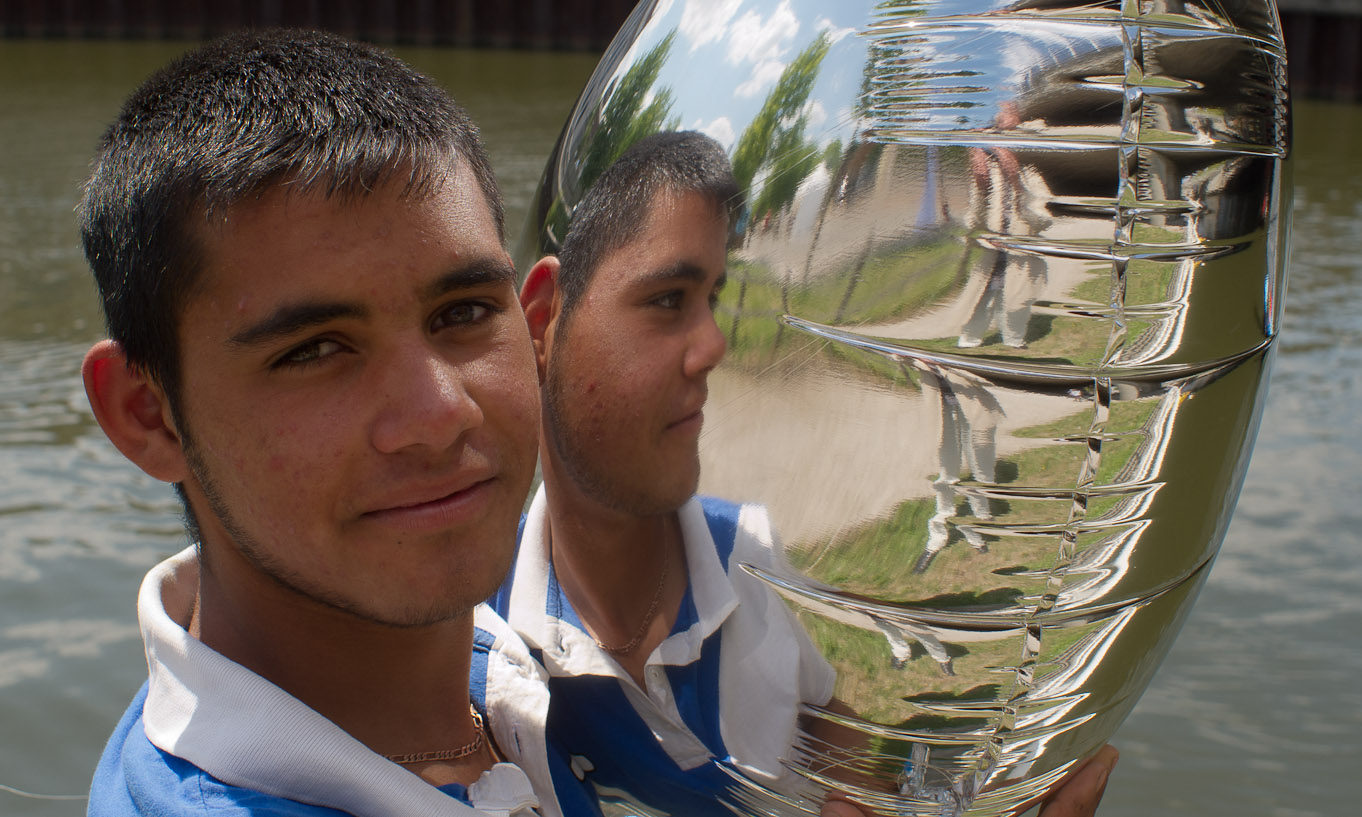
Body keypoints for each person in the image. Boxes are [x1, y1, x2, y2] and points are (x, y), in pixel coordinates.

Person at [506, 132, 1114, 816]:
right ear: (543, 318)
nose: (713, 346)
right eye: (669, 300)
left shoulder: (775, 558)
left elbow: (865, 749)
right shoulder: (474, 662)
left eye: (713, 299)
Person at [76, 30, 593, 817]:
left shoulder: (505, 646)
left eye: (462, 312)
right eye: (314, 350)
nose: (439, 415)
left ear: (537, 329)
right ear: (150, 415)